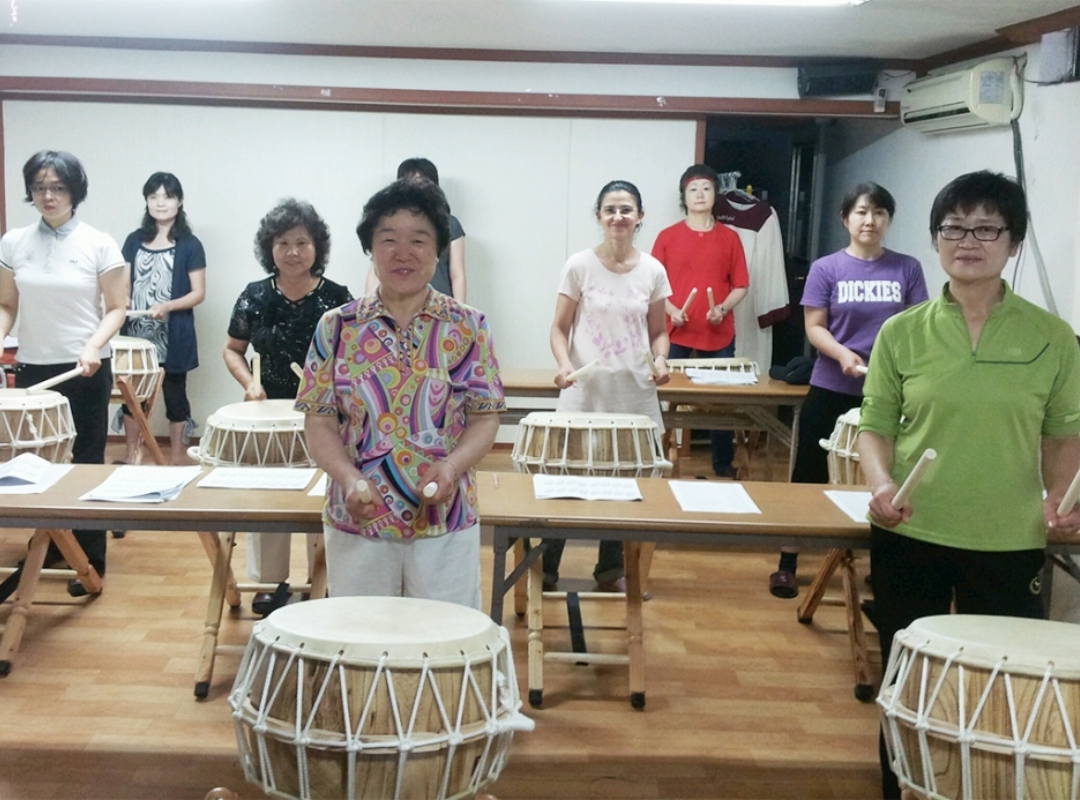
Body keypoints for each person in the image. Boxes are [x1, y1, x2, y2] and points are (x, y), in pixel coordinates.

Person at [857, 171, 1080, 800]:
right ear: (935, 240)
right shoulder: (902, 332)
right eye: (953, 227)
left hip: (1009, 538)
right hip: (910, 529)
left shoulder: (1053, 338)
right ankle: (900, 786)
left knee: (1004, 689)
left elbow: (1064, 436)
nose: (968, 240)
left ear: (1012, 241)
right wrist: (880, 485)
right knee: (906, 682)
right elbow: (874, 425)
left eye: (987, 227)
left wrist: (1059, 500)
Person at [297, 179, 503, 609]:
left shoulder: (467, 326)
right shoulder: (337, 327)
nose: (402, 253)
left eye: (419, 240)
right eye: (388, 240)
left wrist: (451, 466)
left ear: (440, 249)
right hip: (359, 516)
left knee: (444, 646)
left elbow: (485, 419)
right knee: (362, 645)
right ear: (371, 249)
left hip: (445, 520)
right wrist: (348, 477)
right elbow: (318, 422)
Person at [768, 183, 928, 598]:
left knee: (887, 476)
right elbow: (814, 326)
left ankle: (882, 561)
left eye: (878, 213)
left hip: (889, 391)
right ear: (846, 219)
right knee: (809, 473)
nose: (869, 220)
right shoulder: (827, 267)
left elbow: (917, 326)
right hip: (833, 384)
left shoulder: (907, 268)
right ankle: (788, 561)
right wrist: (843, 356)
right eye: (860, 212)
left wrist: (895, 368)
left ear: (888, 220)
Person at [0, 150, 128, 596]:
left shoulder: (99, 242)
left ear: (75, 191)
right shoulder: (14, 242)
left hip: (86, 365)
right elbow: (7, 305)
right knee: (36, 464)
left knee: (86, 461)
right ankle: (54, 540)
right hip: (35, 365)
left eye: (57, 187)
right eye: (39, 187)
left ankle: (91, 557)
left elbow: (117, 307)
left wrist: (94, 346)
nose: (48, 195)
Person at [223, 199, 352, 616]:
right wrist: (249, 383)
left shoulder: (337, 299)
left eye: (302, 242)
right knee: (271, 499)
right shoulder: (255, 296)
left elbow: (355, 357)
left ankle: (324, 575)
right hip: (269, 417)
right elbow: (232, 350)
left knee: (323, 496)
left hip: (326, 416)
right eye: (283, 243)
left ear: (318, 247)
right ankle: (268, 582)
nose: (293, 251)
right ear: (270, 248)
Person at [544, 179, 672, 593]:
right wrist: (564, 366)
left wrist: (663, 358)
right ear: (599, 216)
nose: (618, 217)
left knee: (624, 484)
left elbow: (658, 331)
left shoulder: (653, 269)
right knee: (565, 481)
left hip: (633, 392)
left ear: (639, 217)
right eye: (610, 209)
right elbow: (559, 329)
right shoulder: (579, 265)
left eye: (626, 209)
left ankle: (610, 570)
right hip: (584, 390)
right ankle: (545, 567)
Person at [651, 164, 749, 479]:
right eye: (693, 189)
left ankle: (723, 464)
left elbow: (741, 285)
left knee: (719, 401)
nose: (700, 194)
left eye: (706, 188)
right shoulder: (667, 237)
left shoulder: (730, 238)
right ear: (684, 196)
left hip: (717, 332)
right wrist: (671, 310)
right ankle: (653, 457)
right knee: (659, 394)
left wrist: (722, 307)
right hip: (675, 331)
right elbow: (651, 285)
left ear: (715, 194)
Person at [119, 172, 207, 465]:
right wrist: (124, 299)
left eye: (167, 197)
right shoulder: (134, 240)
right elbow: (123, 283)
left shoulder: (190, 244)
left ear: (179, 201)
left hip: (173, 335)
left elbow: (198, 293)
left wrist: (167, 306)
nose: (160, 203)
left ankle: (177, 458)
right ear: (146, 201)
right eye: (153, 197)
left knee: (175, 395)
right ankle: (133, 454)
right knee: (133, 398)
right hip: (136, 334)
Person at [365, 157, 467, 301]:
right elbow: (376, 270)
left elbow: (457, 275)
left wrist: (460, 315)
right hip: (395, 305)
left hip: (439, 307)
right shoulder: (387, 224)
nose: (416, 190)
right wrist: (368, 310)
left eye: (422, 183)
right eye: (409, 183)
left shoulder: (450, 224)